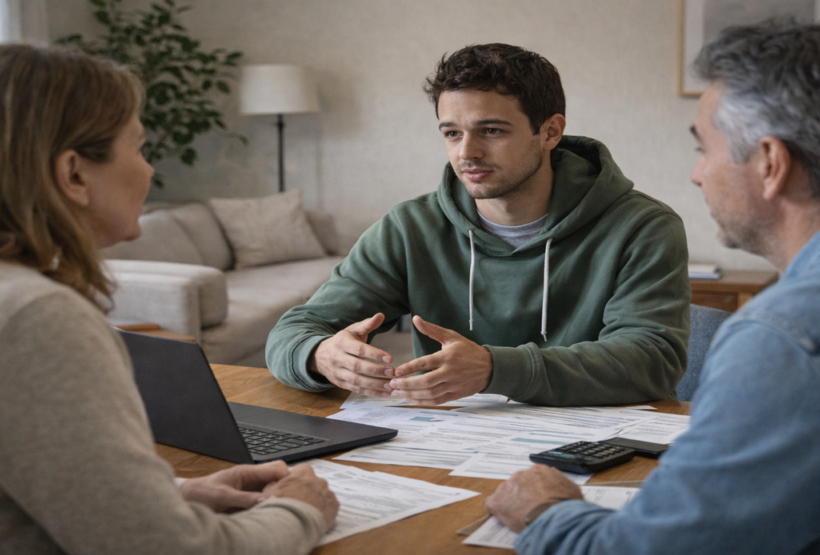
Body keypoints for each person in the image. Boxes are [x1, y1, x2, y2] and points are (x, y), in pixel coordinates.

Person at [485, 23, 820, 555]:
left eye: (702, 148)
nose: (696, 174)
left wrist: (546, 511)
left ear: (770, 163)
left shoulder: (791, 340)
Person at [0, 44, 338, 555]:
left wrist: (172, 495)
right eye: (139, 148)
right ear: (74, 174)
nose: (149, 173)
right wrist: (300, 510)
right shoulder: (30, 316)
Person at [267, 43, 690, 407]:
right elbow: (293, 332)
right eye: (452, 133)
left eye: (491, 130)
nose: (467, 152)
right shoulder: (410, 227)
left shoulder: (642, 227)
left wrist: (495, 368)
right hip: (450, 441)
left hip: (594, 444)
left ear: (550, 132)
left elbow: (651, 361)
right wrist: (319, 355)